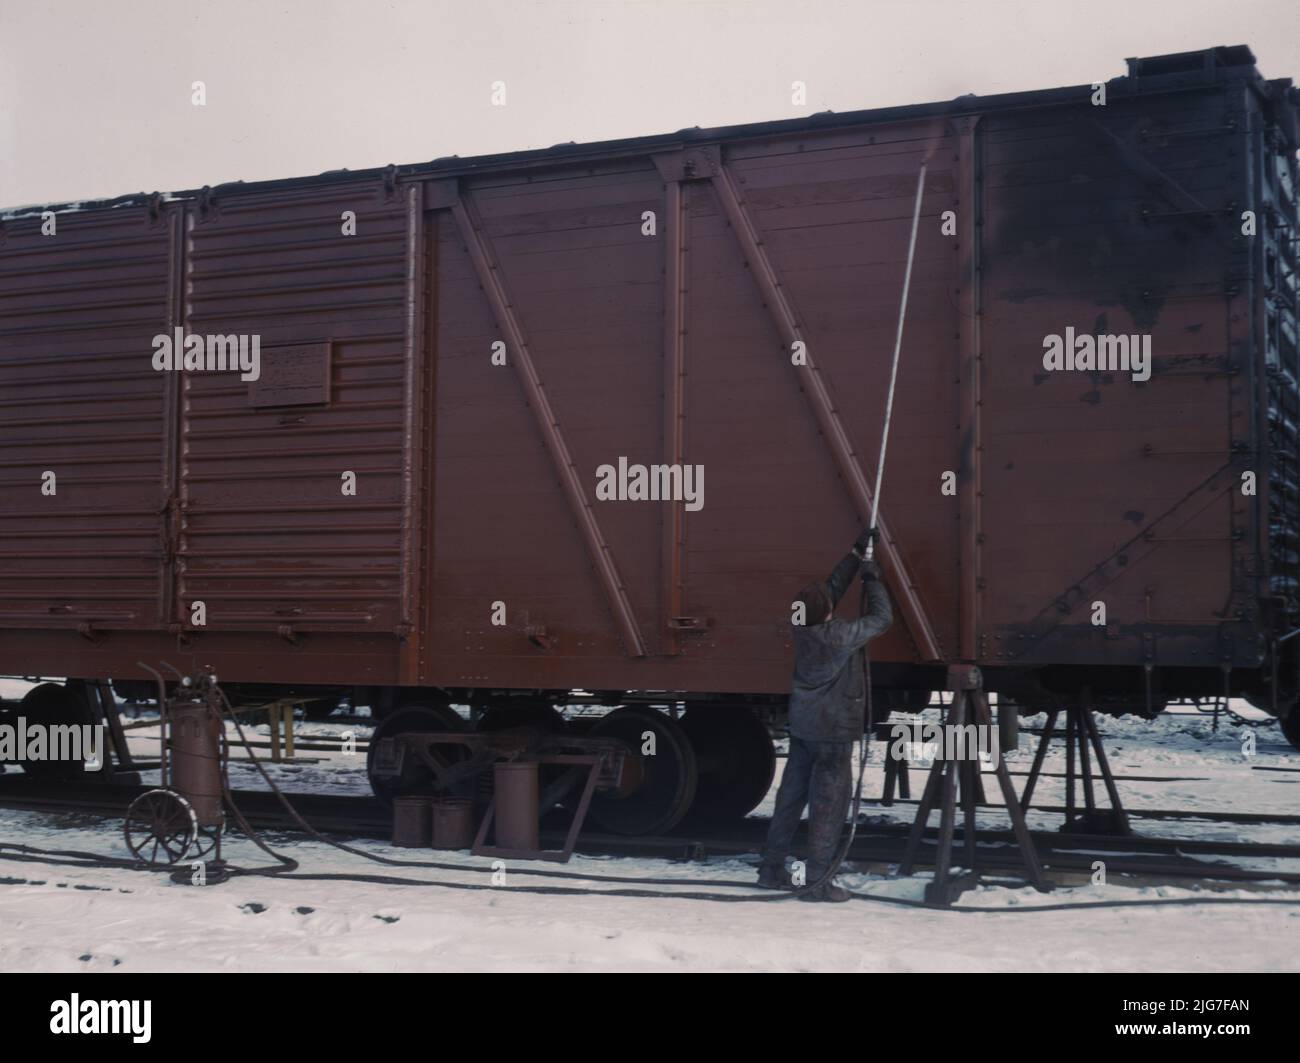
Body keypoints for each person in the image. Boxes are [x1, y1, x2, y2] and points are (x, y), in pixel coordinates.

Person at [757, 530, 893, 902]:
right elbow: (882, 619)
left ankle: (771, 869)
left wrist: (854, 555)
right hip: (832, 732)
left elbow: (829, 591)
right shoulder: (840, 636)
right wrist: (872, 578)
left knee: (790, 798)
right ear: (829, 611)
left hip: (803, 726)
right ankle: (816, 882)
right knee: (828, 807)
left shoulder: (801, 626)